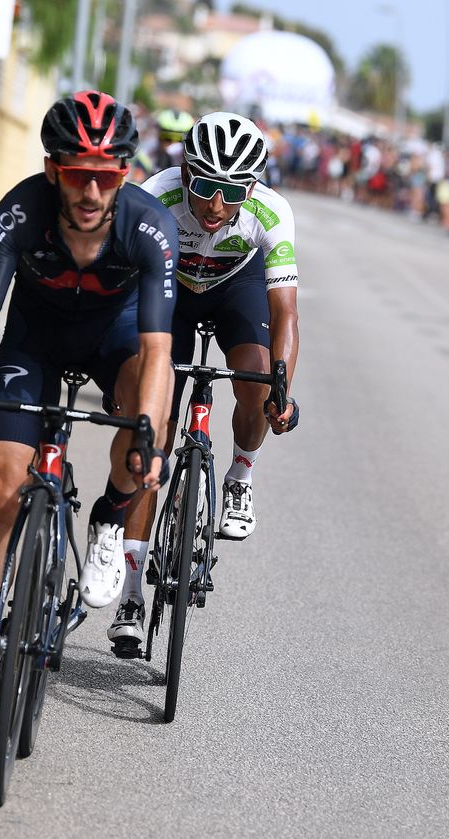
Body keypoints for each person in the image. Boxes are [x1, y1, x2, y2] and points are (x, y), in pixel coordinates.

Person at [0, 92, 179, 728]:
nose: (92, 191)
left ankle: (110, 515)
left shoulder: (149, 227)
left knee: (148, 423)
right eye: (77, 174)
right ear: (52, 170)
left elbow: (156, 353)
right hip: (33, 342)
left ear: (125, 174)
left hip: (115, 341)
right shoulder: (19, 211)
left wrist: (147, 439)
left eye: (107, 175)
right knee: (3, 494)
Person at [107, 112, 302, 657]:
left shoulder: (271, 212)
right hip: (172, 290)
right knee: (155, 433)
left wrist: (281, 388)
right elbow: (124, 292)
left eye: (232, 191)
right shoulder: (155, 195)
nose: (216, 205)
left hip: (235, 286)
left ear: (253, 186)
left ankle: (240, 476)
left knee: (257, 382)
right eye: (205, 186)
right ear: (185, 171)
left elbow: (285, 311)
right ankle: (129, 594)